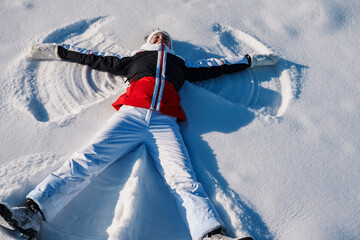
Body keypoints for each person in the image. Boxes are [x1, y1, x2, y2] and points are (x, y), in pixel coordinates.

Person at [0, 30, 279, 240]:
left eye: (165, 37)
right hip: (130, 116)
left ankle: (209, 234)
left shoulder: (180, 66)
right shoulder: (133, 61)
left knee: (181, 176)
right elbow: (91, 57)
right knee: (87, 159)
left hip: (164, 124)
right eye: (157, 35)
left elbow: (217, 66)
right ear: (148, 41)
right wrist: (56, 51)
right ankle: (32, 213)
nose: (161, 38)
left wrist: (250, 60)